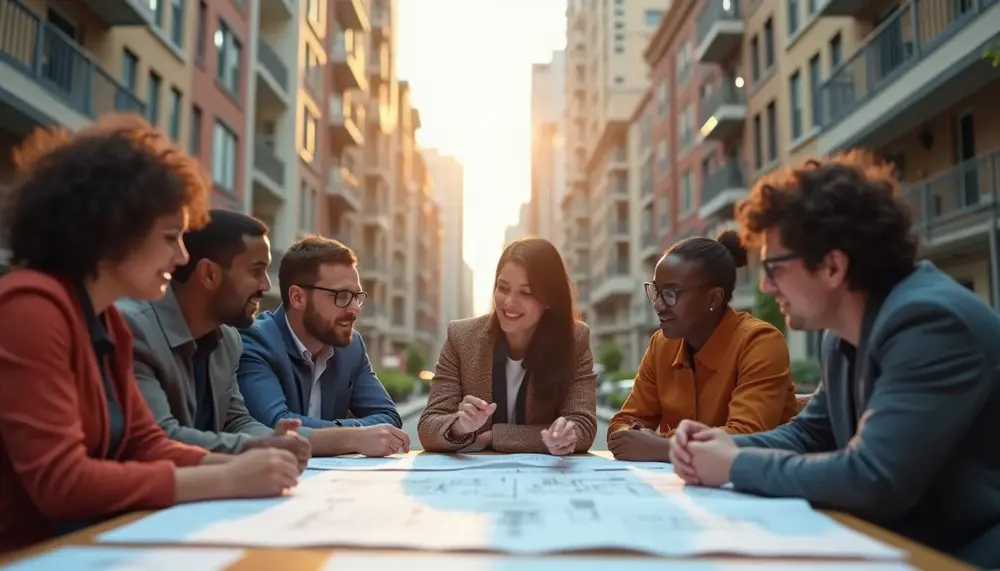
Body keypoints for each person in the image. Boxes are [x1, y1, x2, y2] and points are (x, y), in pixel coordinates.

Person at [670, 151, 1000, 569]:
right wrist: (718, 444)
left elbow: (873, 477)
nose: (768, 287)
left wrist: (735, 463)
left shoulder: (930, 322)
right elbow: (810, 435)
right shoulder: (842, 333)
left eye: (774, 267)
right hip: (891, 547)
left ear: (832, 266)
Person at [0, 116, 299, 554]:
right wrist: (226, 477)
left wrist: (246, 459)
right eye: (169, 238)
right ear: (113, 230)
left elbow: (145, 443)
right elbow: (60, 482)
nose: (181, 257)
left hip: (86, 544)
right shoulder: (29, 308)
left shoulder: (108, 323)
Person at [117, 209, 311, 471]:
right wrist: (252, 448)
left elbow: (237, 421)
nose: (265, 286)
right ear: (209, 274)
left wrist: (274, 440)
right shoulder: (133, 329)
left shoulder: (228, 339)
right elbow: (160, 438)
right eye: (256, 271)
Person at [607, 231, 797, 462]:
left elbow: (745, 435)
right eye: (656, 290)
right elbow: (621, 424)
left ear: (714, 298)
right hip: (688, 488)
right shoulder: (661, 345)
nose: (657, 305)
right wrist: (632, 436)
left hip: (759, 487)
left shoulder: (760, 342)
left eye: (670, 293)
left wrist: (662, 446)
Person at [418, 237, 598, 454]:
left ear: (549, 299)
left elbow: (583, 428)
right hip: (474, 480)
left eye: (526, 293)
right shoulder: (461, 337)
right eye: (503, 288)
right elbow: (428, 427)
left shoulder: (575, 339)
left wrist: (493, 437)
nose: (509, 303)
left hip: (545, 479)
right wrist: (459, 426)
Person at [238, 236, 408, 457]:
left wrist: (340, 435)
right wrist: (354, 437)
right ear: (298, 297)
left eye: (357, 297)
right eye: (342, 296)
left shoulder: (351, 347)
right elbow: (275, 426)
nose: (354, 309)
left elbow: (387, 416)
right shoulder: (255, 340)